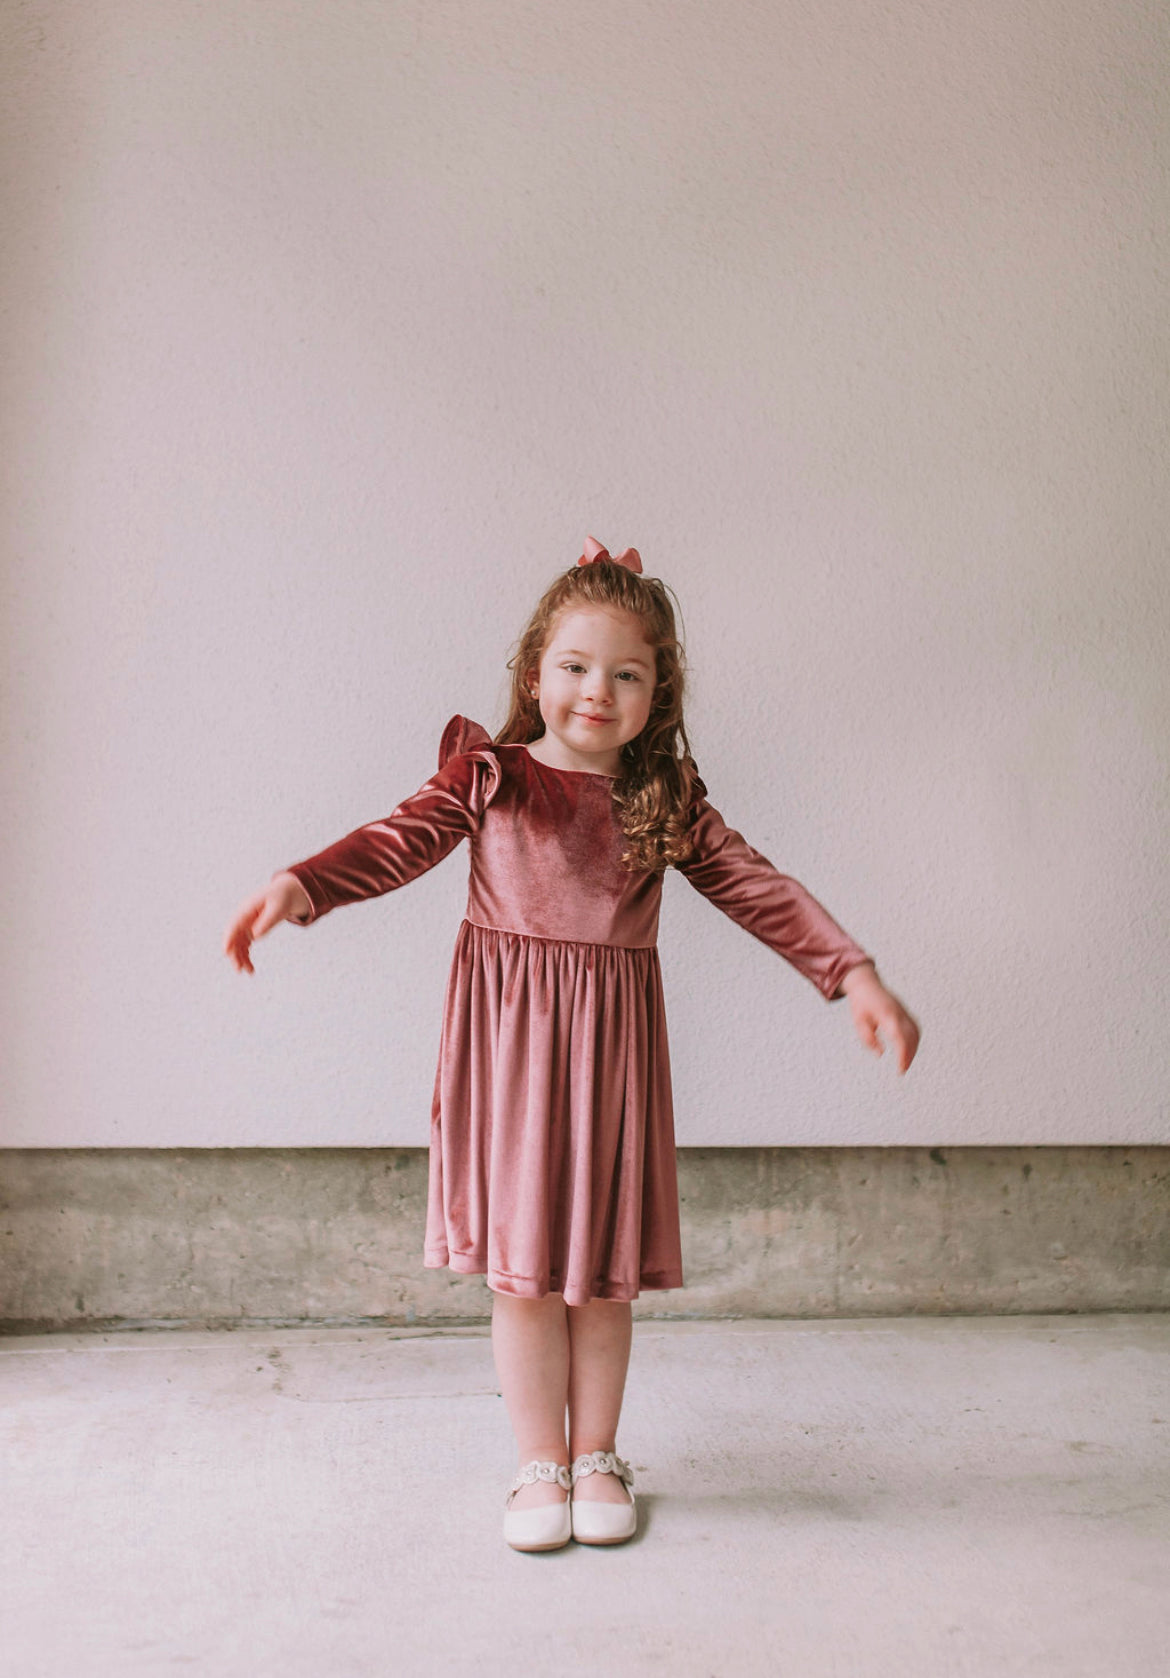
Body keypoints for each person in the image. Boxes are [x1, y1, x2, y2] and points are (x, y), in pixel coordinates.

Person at [223, 535, 920, 1554]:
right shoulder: (490, 778)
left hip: (610, 1065)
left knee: (598, 1272)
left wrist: (852, 974)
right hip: (509, 1057)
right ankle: (537, 1463)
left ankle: (597, 1452)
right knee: (524, 1273)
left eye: (627, 673)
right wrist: (304, 882)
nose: (599, 690)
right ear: (535, 674)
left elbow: (760, 888)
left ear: (659, 691)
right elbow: (397, 837)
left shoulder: (663, 802)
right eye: (576, 666)